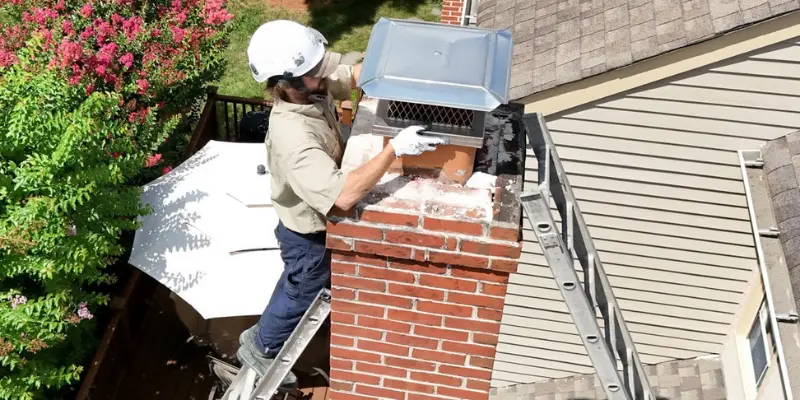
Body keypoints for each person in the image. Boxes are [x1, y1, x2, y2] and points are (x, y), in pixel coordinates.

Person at [237, 20, 445, 392]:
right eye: (316, 72)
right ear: (288, 82)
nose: (324, 74)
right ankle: (262, 345)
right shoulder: (293, 136)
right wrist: (395, 148)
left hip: (314, 220)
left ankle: (269, 327)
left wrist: (411, 63)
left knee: (297, 284)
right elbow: (344, 197)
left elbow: (353, 73)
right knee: (304, 288)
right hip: (307, 233)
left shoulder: (307, 87)